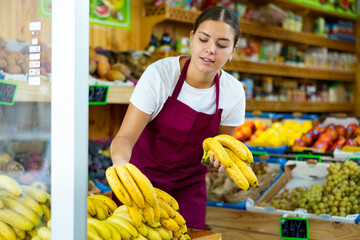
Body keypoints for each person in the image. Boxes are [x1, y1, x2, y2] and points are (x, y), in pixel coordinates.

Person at [110, 6, 245, 230]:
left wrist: (222, 160)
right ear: (192, 38)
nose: (210, 50)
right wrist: (122, 166)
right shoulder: (160, 75)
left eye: (222, 45)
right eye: (204, 39)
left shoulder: (234, 92)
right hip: (141, 182)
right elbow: (124, 137)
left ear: (233, 51)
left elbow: (222, 147)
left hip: (189, 189)